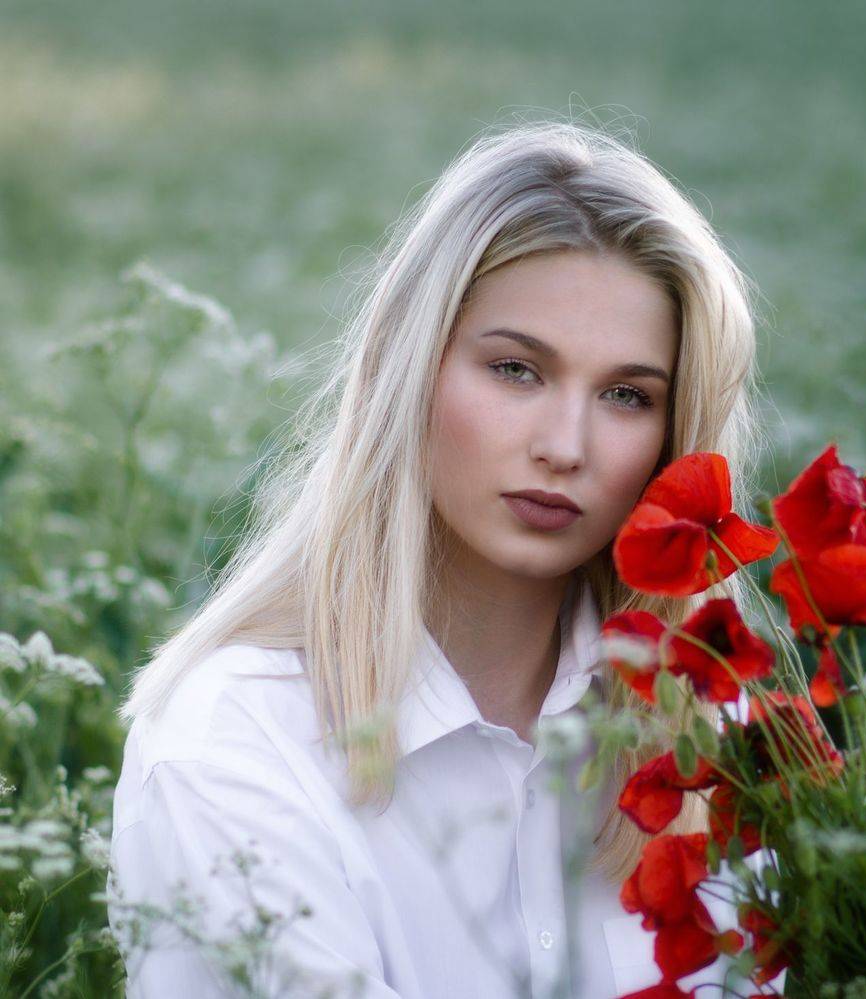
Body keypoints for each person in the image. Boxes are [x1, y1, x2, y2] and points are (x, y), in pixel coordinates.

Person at [106, 118, 776, 998]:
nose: (565, 445)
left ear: (672, 439)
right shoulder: (234, 742)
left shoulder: (704, 740)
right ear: (406, 368)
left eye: (625, 394)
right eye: (515, 370)